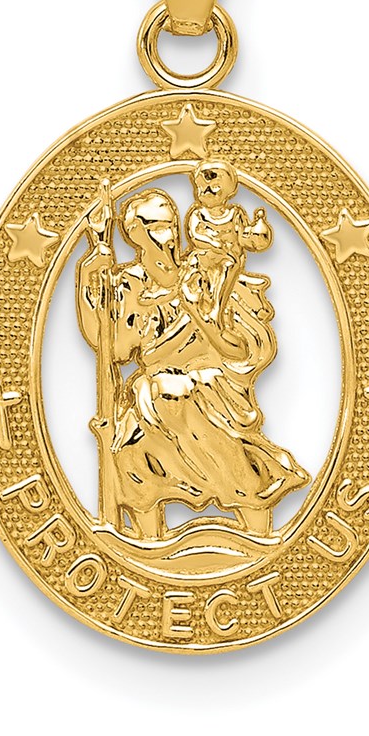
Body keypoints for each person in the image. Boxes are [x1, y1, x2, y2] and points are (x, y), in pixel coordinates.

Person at [76, 187, 308, 539]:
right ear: (135, 234)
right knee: (131, 445)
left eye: (170, 225)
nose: (168, 236)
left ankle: (258, 537)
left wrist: (202, 317)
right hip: (153, 397)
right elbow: (114, 349)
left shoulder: (202, 273)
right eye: (155, 227)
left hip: (210, 388)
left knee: (228, 449)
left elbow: (241, 347)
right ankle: (148, 543)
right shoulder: (128, 285)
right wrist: (90, 271)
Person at [182, 161, 273, 348]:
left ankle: (217, 307)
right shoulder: (198, 214)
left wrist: (256, 234)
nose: (206, 191)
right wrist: (212, 243)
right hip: (205, 257)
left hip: (228, 260)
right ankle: (212, 309)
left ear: (228, 190)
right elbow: (194, 235)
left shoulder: (235, 213)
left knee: (230, 264)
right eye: (201, 187)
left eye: (214, 186)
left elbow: (243, 237)